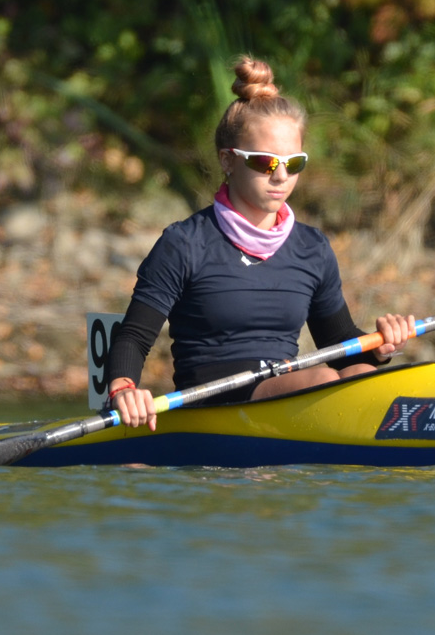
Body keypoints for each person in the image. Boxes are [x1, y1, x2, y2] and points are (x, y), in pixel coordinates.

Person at [104, 56, 415, 430]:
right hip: (211, 405)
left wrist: (381, 347)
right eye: (266, 162)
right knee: (321, 380)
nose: (281, 176)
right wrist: (123, 388)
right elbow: (133, 337)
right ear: (228, 161)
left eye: (293, 163)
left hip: (288, 392)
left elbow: (339, 343)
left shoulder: (311, 248)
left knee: (365, 375)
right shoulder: (184, 243)